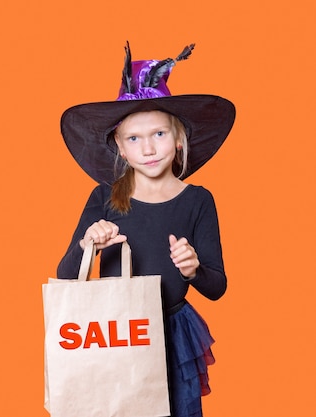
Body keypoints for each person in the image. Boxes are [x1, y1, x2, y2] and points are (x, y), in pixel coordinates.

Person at [56, 42, 235, 417]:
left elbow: (217, 287)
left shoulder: (197, 201)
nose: (148, 148)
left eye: (159, 134)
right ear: (120, 149)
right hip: (115, 332)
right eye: (134, 138)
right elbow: (66, 274)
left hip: (172, 331)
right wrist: (88, 242)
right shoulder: (104, 197)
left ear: (179, 139)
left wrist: (193, 270)